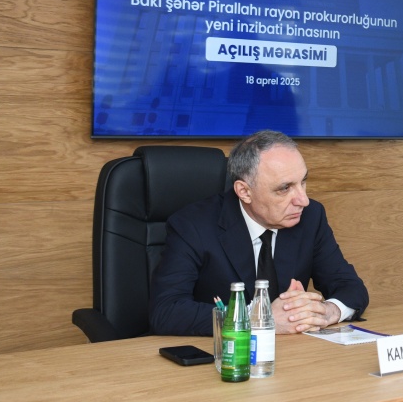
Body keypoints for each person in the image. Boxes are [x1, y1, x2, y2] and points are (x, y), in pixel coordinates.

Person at [149, 130, 369, 336]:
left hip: (291, 350)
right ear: (244, 191)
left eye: (303, 181)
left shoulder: (310, 217)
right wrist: (257, 319)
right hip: (226, 354)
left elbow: (350, 286)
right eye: (285, 188)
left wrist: (328, 312)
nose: (303, 200)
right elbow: (166, 311)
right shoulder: (193, 225)